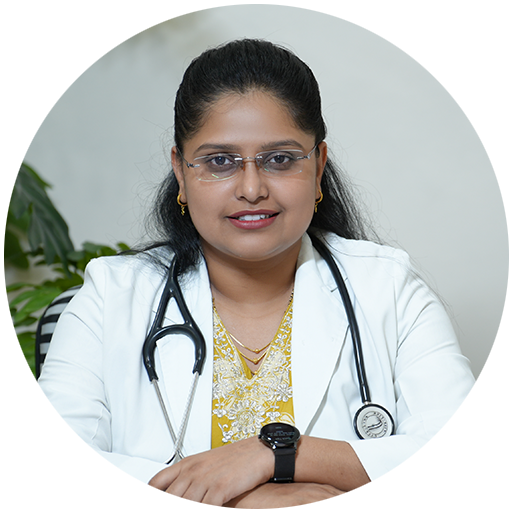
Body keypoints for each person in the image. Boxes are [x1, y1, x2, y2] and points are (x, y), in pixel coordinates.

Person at [15, 39, 497, 509]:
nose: (251, 188)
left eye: (280, 159)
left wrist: (276, 456)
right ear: (181, 173)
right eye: (219, 161)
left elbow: (469, 468)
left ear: (318, 166)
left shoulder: (388, 290)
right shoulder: (112, 296)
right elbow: (43, 477)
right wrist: (253, 499)